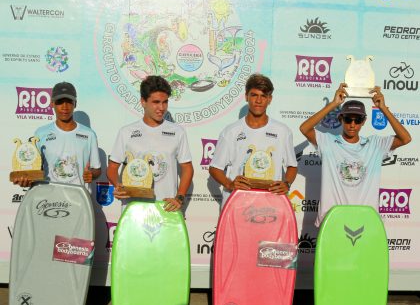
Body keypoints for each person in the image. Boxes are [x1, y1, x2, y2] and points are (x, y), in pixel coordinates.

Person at [299, 83, 412, 227]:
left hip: (366, 221)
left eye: (357, 120)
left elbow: (405, 138)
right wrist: (334, 104)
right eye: (348, 119)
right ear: (340, 119)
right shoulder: (327, 141)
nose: (352, 124)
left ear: (363, 121)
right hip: (332, 220)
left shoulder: (375, 145)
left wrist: (383, 108)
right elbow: (304, 128)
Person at [209, 73, 298, 207]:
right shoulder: (231, 131)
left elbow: (292, 166)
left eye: (263, 96)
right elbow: (215, 168)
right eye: (254, 95)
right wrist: (229, 184)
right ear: (246, 97)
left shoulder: (282, 131)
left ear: (270, 99)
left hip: (270, 205)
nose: (258, 100)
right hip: (237, 204)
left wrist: (287, 184)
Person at [107, 75, 193, 212]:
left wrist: (180, 197)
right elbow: (112, 167)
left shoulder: (177, 131)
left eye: (165, 102)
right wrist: (118, 185)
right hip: (134, 207)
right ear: (143, 101)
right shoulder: (126, 132)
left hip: (166, 207)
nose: (161, 108)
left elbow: (187, 168)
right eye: (156, 102)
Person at [12, 81, 101, 187]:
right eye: (59, 102)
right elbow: (35, 170)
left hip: (78, 198)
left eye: (69, 101)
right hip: (48, 198)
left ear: (75, 104)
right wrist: (26, 179)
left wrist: (92, 174)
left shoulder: (89, 134)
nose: (64, 107)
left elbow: (97, 169)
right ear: (52, 103)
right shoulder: (40, 133)